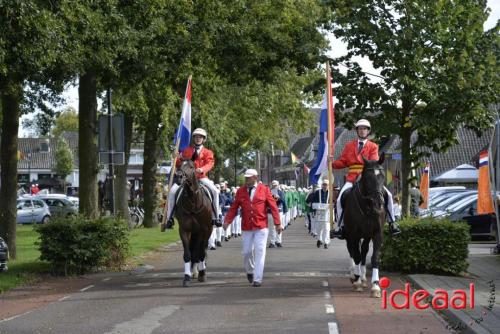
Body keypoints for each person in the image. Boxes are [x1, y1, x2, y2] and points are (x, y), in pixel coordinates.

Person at [331, 119, 401, 238]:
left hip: (368, 176)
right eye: (360, 128)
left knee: (388, 195)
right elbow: (343, 161)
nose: (362, 131)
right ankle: (340, 226)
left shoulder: (373, 146)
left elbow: (373, 161)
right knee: (339, 200)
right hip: (352, 177)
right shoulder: (349, 146)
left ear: (368, 131)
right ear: (357, 131)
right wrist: (331, 163)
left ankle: (392, 222)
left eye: (364, 129)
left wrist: (363, 167)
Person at [223, 169, 282, 287]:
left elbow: (273, 206)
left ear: (255, 177)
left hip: (261, 226)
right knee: (246, 252)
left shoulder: (264, 189)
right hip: (247, 226)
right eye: (246, 177)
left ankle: (257, 278)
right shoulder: (240, 191)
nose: (246, 179)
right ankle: (250, 271)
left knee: (260, 251)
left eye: (249, 177)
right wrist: (227, 221)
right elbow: (234, 207)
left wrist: (277, 223)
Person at [165, 128, 221, 229]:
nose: (198, 138)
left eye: (200, 137)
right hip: (187, 178)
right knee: (172, 191)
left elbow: (210, 163)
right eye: (196, 137)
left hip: (201, 177)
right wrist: (175, 158)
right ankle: (170, 218)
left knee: (215, 191)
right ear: (193, 138)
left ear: (204, 139)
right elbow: (179, 163)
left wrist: (202, 169)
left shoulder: (208, 152)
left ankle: (216, 216)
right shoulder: (187, 150)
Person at [311, 179, 332, 249]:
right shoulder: (317, 192)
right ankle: (319, 239)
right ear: (322, 185)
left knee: (326, 228)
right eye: (324, 184)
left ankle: (326, 242)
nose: (325, 186)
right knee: (319, 228)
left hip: (327, 213)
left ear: (328, 185)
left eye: (326, 185)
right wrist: (316, 207)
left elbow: (333, 203)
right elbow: (313, 202)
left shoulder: (331, 193)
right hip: (319, 212)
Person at [268, 180, 287, 248]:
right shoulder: (268, 192)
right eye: (273, 185)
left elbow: (283, 201)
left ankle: (278, 241)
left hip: (279, 211)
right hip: (270, 212)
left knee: (279, 226)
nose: (274, 186)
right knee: (271, 228)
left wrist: (278, 198)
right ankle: (272, 242)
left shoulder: (280, 192)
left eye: (275, 185)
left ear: (278, 185)